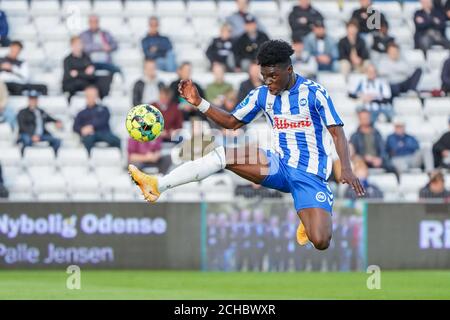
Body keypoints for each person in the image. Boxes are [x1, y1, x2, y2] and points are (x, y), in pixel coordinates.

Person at [129, 39, 365, 251]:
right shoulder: (262, 95)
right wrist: (199, 102)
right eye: (264, 76)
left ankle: (308, 220)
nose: (269, 81)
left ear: (289, 69)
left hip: (310, 175)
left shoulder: (314, 93)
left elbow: (337, 131)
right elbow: (232, 122)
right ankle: (158, 184)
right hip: (278, 164)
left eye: (273, 76)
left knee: (321, 241)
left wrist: (346, 167)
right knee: (223, 155)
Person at [73, 86, 121, 154]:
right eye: (89, 96)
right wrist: (82, 129)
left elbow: (104, 120)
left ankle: (119, 158)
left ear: (96, 96)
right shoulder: (81, 113)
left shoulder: (104, 109)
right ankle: (89, 159)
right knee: (87, 140)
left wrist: (91, 127)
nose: (91, 98)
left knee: (117, 140)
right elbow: (75, 126)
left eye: (93, 96)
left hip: (104, 133)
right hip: (89, 135)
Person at [349, 109, 396, 174]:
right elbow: (353, 154)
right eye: (363, 118)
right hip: (362, 162)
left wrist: (380, 159)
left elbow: (383, 150)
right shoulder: (355, 136)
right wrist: (365, 158)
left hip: (378, 161)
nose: (365, 119)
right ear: (359, 119)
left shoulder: (377, 133)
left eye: (367, 117)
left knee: (393, 167)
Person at [17, 90, 62, 155]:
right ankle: (24, 157)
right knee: (26, 140)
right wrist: (32, 135)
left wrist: (57, 121)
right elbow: (22, 126)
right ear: (29, 100)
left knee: (56, 141)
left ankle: (53, 158)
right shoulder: (23, 112)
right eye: (31, 99)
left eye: (35, 99)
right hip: (27, 134)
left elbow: (49, 118)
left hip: (41, 135)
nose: (33, 101)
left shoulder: (41, 111)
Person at [62, 36, 99, 102]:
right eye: (75, 44)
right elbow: (68, 76)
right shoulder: (67, 60)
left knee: (95, 87)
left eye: (79, 44)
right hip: (72, 85)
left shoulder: (87, 58)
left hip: (85, 84)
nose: (77, 46)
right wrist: (84, 73)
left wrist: (77, 73)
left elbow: (92, 76)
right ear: (71, 46)